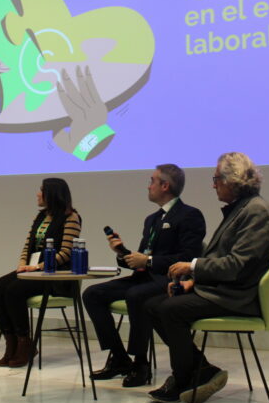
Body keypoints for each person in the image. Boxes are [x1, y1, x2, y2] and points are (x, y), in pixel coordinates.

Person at [145, 152, 269, 403]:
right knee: (153, 305)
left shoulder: (256, 212)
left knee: (169, 310)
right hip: (225, 291)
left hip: (237, 297)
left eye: (216, 179)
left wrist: (192, 266)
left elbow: (236, 266)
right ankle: (201, 370)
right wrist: (193, 283)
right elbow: (227, 261)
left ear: (233, 180)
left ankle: (184, 377)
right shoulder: (241, 209)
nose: (213, 185)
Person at [82, 164, 206, 387]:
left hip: (169, 280)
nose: (148, 186)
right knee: (92, 294)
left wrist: (148, 261)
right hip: (144, 277)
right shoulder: (152, 219)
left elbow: (188, 257)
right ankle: (119, 357)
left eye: (152, 181)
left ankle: (140, 363)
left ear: (165, 186)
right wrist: (122, 253)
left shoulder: (190, 215)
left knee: (136, 295)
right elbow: (142, 258)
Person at [0, 177, 83, 367]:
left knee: (14, 291)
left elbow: (65, 253)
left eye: (41, 190)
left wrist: (38, 267)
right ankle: (11, 341)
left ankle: (24, 342)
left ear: (52, 194)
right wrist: (23, 264)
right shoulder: (40, 217)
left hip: (56, 275)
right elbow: (27, 246)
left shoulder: (71, 217)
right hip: (33, 270)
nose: (38, 194)